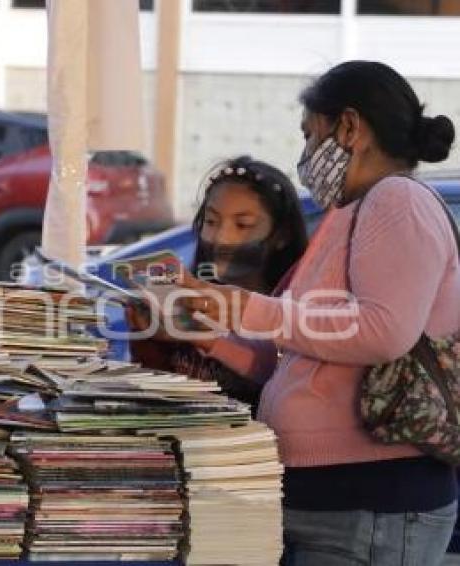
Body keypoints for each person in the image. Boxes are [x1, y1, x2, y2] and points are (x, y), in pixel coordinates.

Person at [179, 61, 459, 565]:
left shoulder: (397, 199)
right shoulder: (352, 211)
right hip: (328, 499)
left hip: (371, 503)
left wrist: (248, 308)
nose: (306, 156)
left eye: (311, 136)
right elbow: (303, 355)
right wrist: (213, 335)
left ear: (349, 127)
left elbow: (383, 331)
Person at [127, 155, 308, 412]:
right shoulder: (185, 301)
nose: (221, 237)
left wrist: (203, 339)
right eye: (211, 222)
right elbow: (157, 399)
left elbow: (281, 379)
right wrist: (148, 337)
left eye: (242, 224)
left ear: (282, 235)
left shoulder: (293, 313)